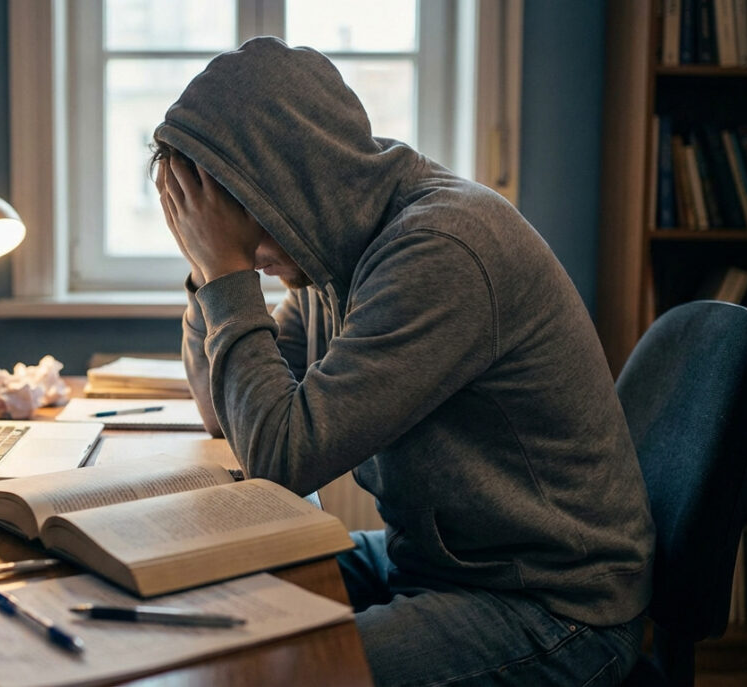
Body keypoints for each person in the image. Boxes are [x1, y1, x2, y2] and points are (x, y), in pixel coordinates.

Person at [151, 37, 654, 686]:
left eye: (240, 227)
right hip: (431, 561)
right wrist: (206, 272)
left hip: (552, 606)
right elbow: (229, 418)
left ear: (286, 183)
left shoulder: (439, 249)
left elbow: (281, 460)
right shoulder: (331, 259)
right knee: (203, 601)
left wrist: (226, 275)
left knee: (271, 673)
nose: (250, 255)